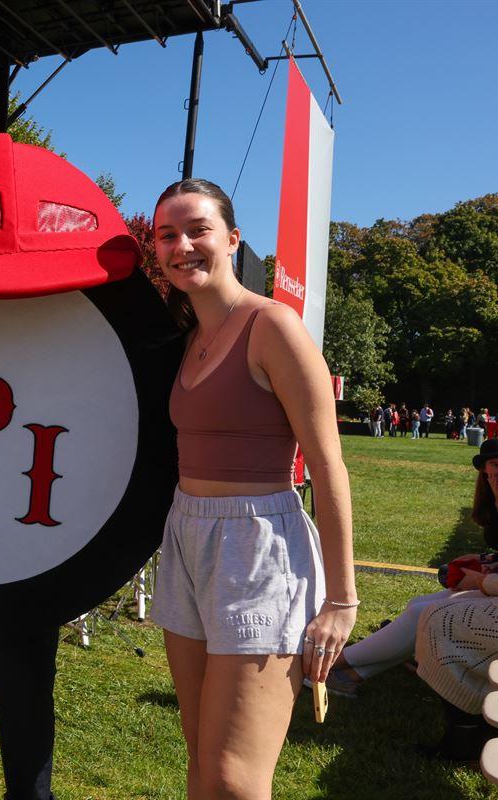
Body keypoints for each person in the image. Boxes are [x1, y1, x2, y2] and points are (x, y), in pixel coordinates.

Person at [148, 179, 356, 798]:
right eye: (166, 235)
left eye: (197, 230)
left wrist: (341, 600)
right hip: (186, 537)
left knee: (235, 779)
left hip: (259, 544)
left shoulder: (273, 327)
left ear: (233, 239)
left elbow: (328, 466)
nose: (181, 245)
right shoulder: (187, 340)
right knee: (202, 763)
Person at [315, 438, 498, 697]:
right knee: (417, 606)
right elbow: (495, 541)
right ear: (485, 469)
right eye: (496, 465)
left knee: (421, 614)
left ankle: (328, 665)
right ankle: (348, 674)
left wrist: (484, 574)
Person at [415, 426, 498, 760]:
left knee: (439, 622)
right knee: (449, 608)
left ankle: (466, 735)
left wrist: (483, 582)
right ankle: (484, 722)